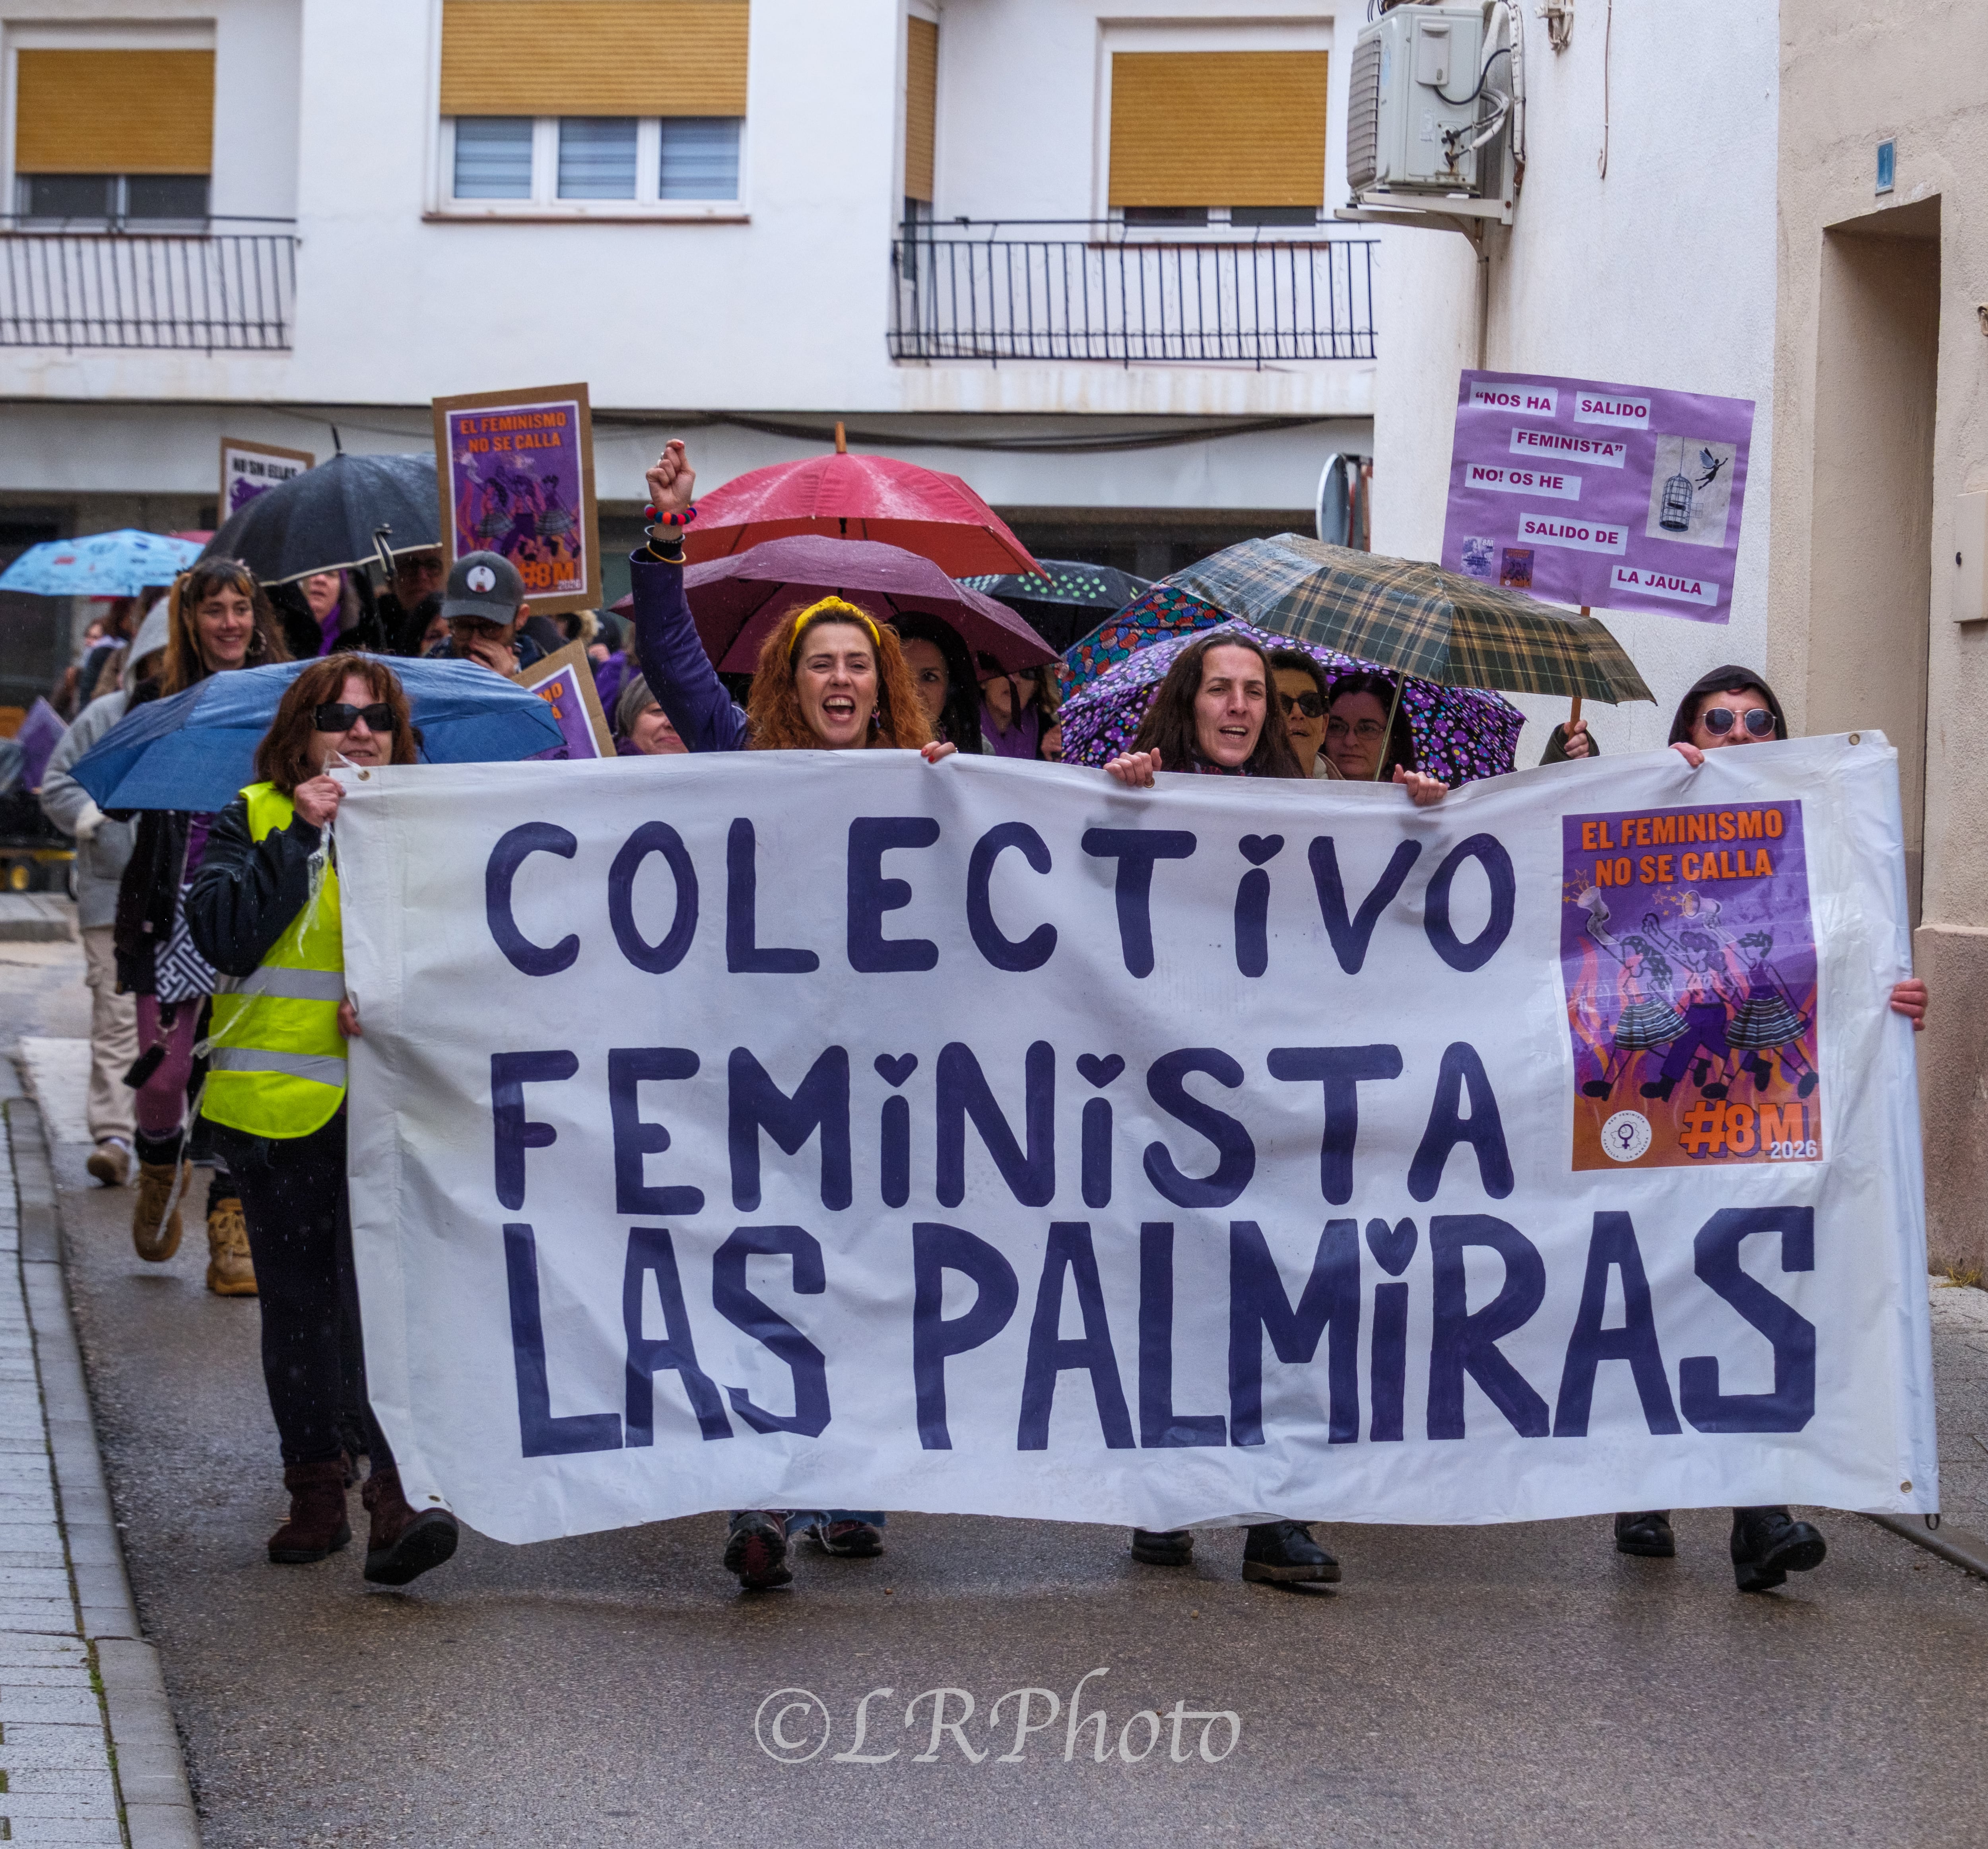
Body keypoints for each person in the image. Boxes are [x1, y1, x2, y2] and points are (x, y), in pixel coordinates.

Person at [634, 439, 949, 1589]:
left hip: (876, 1090)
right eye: (819, 663)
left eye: (857, 665)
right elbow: (668, 657)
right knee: (758, 1279)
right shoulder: (738, 757)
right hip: (758, 1076)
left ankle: (852, 1490)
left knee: (864, 1282)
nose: (839, 681)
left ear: (882, 682)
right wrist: (668, 540)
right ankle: (760, 1501)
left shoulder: (927, 781)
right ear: (789, 680)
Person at [1101, 631, 1442, 1588]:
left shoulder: (1318, 814)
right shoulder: (1135, 793)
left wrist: (1416, 824)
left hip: (1283, 1099)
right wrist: (1113, 796)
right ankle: (1169, 1494)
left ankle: (1275, 1512)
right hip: (1171, 1100)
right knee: (1181, 1299)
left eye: (1256, 692)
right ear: (1189, 701)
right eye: (1221, 690)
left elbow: (1388, 917)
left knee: (1284, 1298)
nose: (1241, 707)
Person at [1594, 663, 1926, 1591]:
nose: (1740, 734)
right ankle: (1644, 1478)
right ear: (1688, 732)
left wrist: (1893, 997)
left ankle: (1760, 1513)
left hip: (1769, 1099)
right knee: (1662, 1281)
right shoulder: (1643, 820)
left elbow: (1859, 948)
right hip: (1670, 1099)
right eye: (1719, 720)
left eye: (1757, 720)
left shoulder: (1831, 831)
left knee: (1754, 1283)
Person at [184, 655, 458, 1585]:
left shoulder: (425, 828)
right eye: (338, 715)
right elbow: (222, 933)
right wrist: (300, 834)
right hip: (280, 1110)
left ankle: (393, 1496)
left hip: (394, 1104)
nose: (359, 731)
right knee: (302, 1309)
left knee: (383, 1306)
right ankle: (314, 1489)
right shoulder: (253, 814)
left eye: (377, 717)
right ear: (300, 731)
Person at [113, 560, 289, 1294]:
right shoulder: (159, 699)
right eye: (214, 609)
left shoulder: (284, 696)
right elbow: (120, 802)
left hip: (249, 901)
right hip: (167, 906)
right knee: (168, 1076)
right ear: (192, 620)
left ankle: (230, 1220)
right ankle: (158, 1161)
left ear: (256, 617)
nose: (229, 623)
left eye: (240, 609)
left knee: (234, 1072)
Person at [39, 602, 173, 1186]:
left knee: (172, 1026)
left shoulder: (202, 716)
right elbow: (57, 780)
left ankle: (164, 1134)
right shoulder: (106, 714)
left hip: (180, 898)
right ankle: (113, 1132)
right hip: (111, 894)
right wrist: (95, 819)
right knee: (119, 1017)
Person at [426, 551, 544, 677]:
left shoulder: (548, 671)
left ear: (521, 618)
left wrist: (515, 685)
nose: (474, 643)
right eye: (463, 626)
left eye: (490, 628)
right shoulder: (430, 670)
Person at [893, 611, 984, 753]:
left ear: (949, 690)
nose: (914, 692)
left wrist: (954, 770)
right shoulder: (855, 744)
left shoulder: (982, 754)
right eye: (902, 676)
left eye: (929, 677)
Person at [1322, 670, 1417, 782]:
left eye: (1367, 729)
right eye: (1337, 727)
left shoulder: (1411, 796)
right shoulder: (1299, 788)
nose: (1350, 742)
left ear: (1395, 739)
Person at [1268, 649, 1342, 780]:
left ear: (1324, 727)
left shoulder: (1352, 799)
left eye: (1310, 703)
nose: (1298, 713)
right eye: (1281, 704)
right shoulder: (1231, 794)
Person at [978, 655, 1057, 759]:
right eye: (1006, 668)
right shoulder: (956, 730)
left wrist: (1060, 758)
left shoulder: (1048, 735)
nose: (1015, 680)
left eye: (1027, 672)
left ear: (1034, 688)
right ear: (984, 681)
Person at [377, 549, 447, 657]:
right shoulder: (370, 638)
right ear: (390, 580)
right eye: (410, 566)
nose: (422, 576)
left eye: (432, 566)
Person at [613, 674, 689, 756]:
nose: (673, 725)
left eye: (688, 715)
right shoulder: (601, 765)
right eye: (658, 711)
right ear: (628, 721)